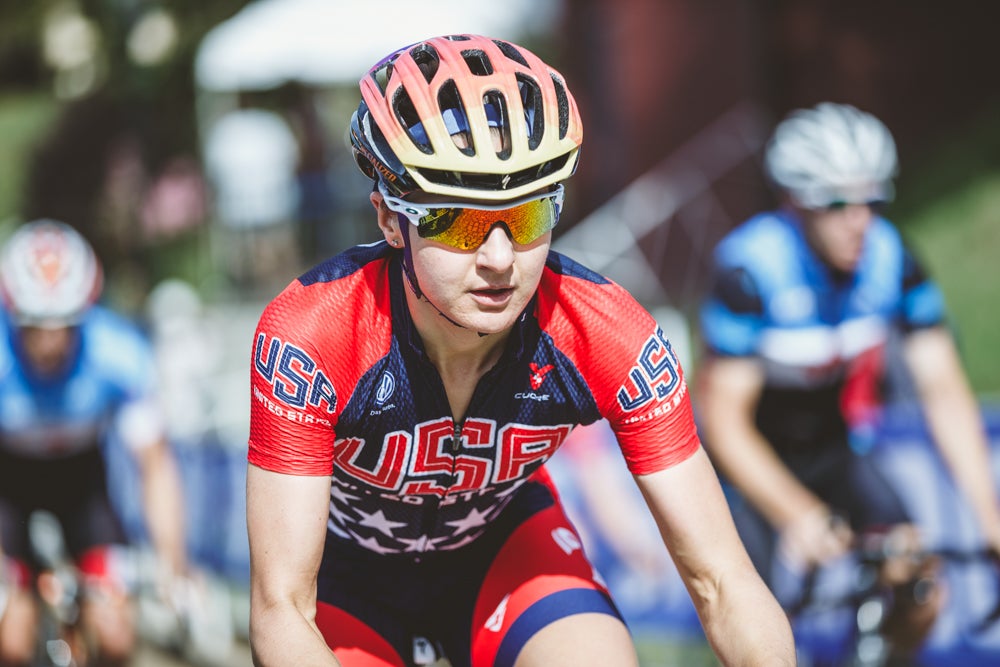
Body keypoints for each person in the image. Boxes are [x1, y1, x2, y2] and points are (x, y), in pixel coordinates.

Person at [246, 33, 794, 667]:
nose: (501, 260)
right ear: (390, 218)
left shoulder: (609, 332)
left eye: (530, 217)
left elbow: (723, 580)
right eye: (460, 221)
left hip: (506, 552)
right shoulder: (313, 334)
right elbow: (280, 607)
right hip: (345, 583)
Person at [696, 102, 1000, 660]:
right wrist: (797, 512)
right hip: (746, 461)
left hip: (831, 447)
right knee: (751, 622)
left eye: (872, 199)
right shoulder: (749, 269)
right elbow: (723, 420)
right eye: (834, 202)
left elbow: (945, 393)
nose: (858, 219)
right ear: (795, 202)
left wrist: (989, 517)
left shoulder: (893, 256)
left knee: (921, 585)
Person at [0, 219, 188, 666]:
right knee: (11, 638)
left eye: (63, 324)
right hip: (8, 488)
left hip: (83, 487)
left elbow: (156, 467)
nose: (48, 342)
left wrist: (172, 563)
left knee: (117, 635)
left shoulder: (117, 353)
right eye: (32, 325)